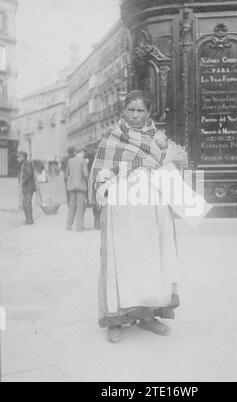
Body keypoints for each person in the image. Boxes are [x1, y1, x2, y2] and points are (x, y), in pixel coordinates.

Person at [89, 90, 183, 344]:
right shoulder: (112, 137)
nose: (135, 115)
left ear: (149, 113)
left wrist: (166, 167)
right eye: (131, 110)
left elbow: (172, 168)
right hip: (122, 209)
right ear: (123, 111)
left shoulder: (160, 139)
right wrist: (133, 168)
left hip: (152, 209)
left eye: (140, 110)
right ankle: (117, 318)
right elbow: (100, 170)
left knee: (150, 259)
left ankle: (148, 316)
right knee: (122, 260)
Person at [66, 148, 89, 231]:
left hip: (71, 187)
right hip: (80, 187)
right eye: (84, 153)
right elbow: (86, 174)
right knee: (80, 207)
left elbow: (67, 173)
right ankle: (79, 227)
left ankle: (69, 226)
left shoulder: (70, 161)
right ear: (82, 152)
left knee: (72, 206)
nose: (84, 155)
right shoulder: (82, 161)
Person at [17, 151, 36, 225]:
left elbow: (28, 173)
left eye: (19, 157)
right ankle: (28, 219)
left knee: (27, 203)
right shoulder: (23, 163)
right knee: (25, 203)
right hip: (26, 187)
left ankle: (29, 220)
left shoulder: (27, 163)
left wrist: (22, 181)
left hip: (28, 187)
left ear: (23, 157)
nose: (17, 159)